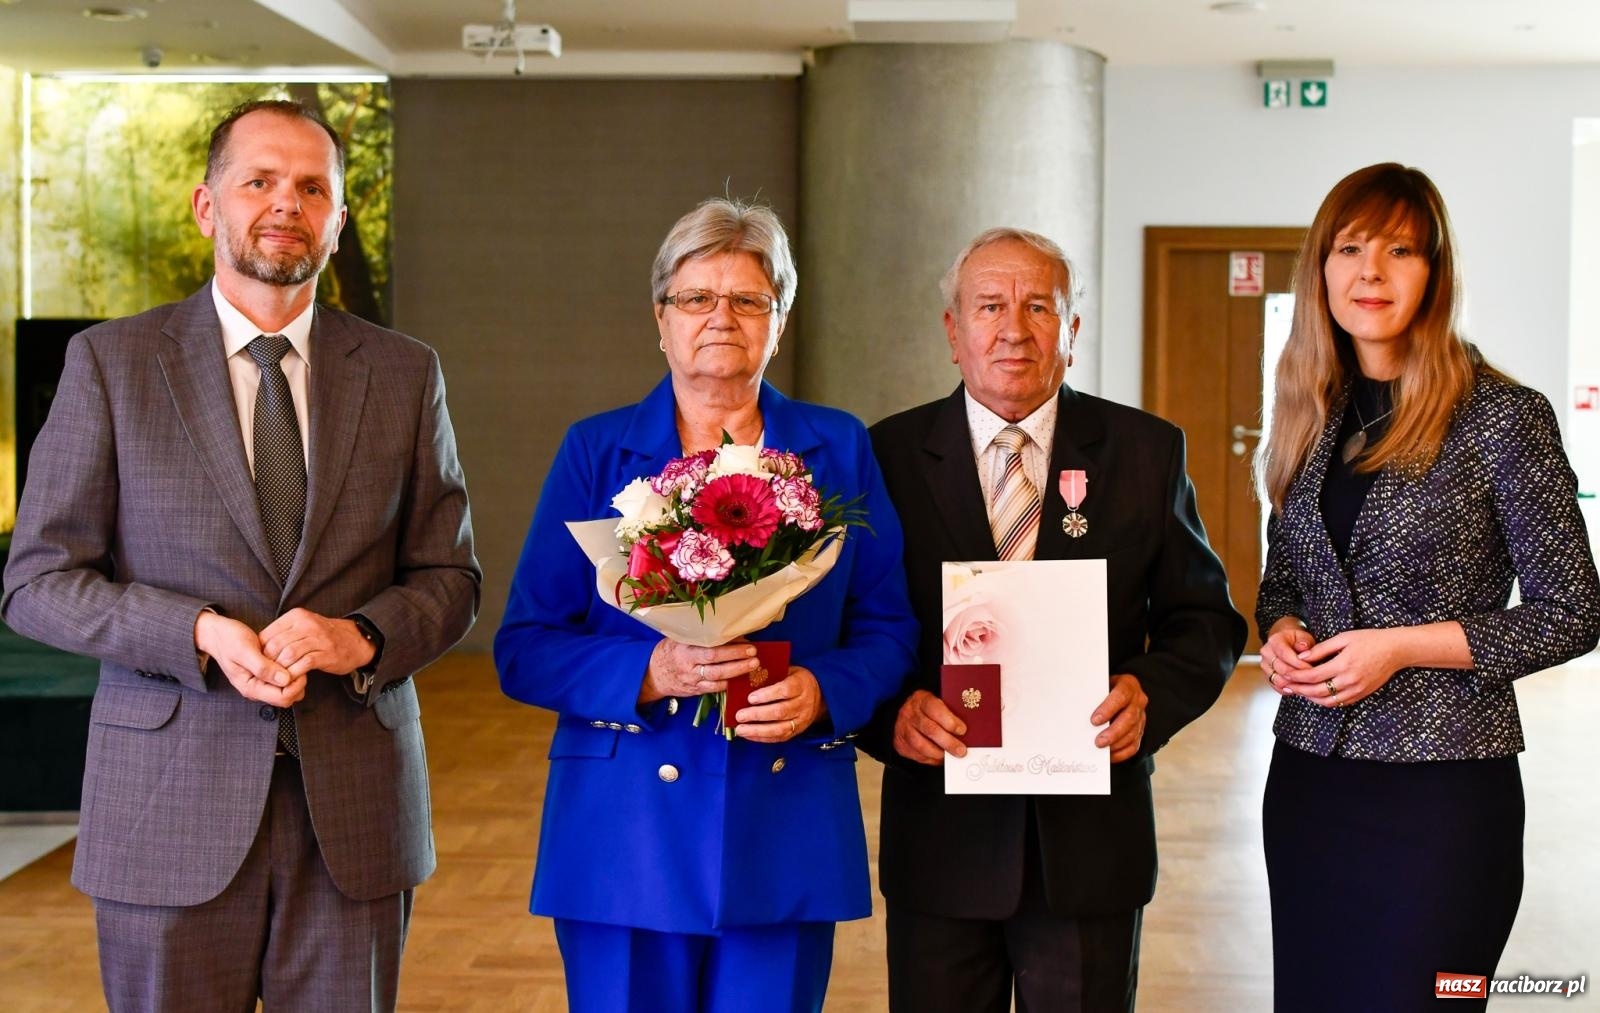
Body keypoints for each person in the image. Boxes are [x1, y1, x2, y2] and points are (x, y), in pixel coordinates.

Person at [1, 99, 480, 1011]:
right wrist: (198, 630)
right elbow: (36, 583)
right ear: (206, 205)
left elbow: (451, 579)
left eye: (311, 188)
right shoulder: (110, 365)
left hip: (355, 813)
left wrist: (363, 637)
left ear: (338, 221)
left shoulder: (406, 371)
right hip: (163, 811)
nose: (284, 204)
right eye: (258, 180)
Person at [494, 197, 917, 1013]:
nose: (721, 317)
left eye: (748, 299)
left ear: (779, 321)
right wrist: (647, 669)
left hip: (783, 820)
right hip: (623, 831)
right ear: (661, 319)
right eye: (696, 298)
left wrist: (827, 691)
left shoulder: (839, 446)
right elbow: (525, 643)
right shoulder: (594, 448)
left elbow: (889, 624)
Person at [861, 227, 1246, 1012]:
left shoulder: (1145, 451)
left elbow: (1206, 621)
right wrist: (889, 714)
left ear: (1071, 331)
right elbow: (852, 627)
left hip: (1091, 843)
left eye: (1039, 306)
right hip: (942, 839)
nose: (1013, 328)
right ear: (953, 332)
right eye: (990, 305)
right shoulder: (887, 457)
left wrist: (1148, 692)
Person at [1255, 162, 1600, 1012]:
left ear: (1436, 275)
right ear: (1321, 270)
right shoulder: (1312, 410)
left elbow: (1573, 611)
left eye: (1400, 250)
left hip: (1442, 800)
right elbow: (1284, 575)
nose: (1370, 271)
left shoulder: (1502, 415)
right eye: (1350, 248)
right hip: (1309, 782)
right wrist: (1282, 628)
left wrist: (1402, 648)